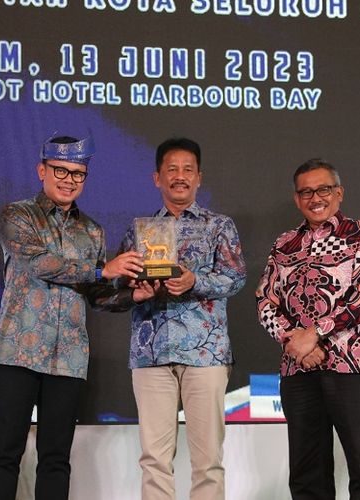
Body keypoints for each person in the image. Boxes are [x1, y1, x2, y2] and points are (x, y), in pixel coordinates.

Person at [0, 132, 145, 500]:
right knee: (5, 454)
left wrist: (133, 294)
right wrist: (102, 269)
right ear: (42, 170)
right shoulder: (17, 215)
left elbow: (97, 296)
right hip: (18, 354)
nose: (69, 180)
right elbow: (40, 264)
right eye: (61, 171)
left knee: (56, 459)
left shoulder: (92, 231)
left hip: (68, 359)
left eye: (78, 173)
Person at [116, 137, 246, 500]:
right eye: (171, 169)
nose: (180, 176)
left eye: (188, 169)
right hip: (151, 355)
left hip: (206, 355)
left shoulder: (219, 226)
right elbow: (118, 284)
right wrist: (134, 286)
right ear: (157, 178)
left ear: (199, 177)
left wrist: (194, 281)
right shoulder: (139, 231)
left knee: (208, 462)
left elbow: (235, 278)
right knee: (154, 461)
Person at [256, 158, 360, 499]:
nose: (316, 198)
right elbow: (265, 300)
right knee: (306, 475)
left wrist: (314, 334)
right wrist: (293, 341)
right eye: (306, 192)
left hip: (352, 367)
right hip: (298, 370)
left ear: (339, 193)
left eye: (324, 189)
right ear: (297, 199)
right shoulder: (284, 243)